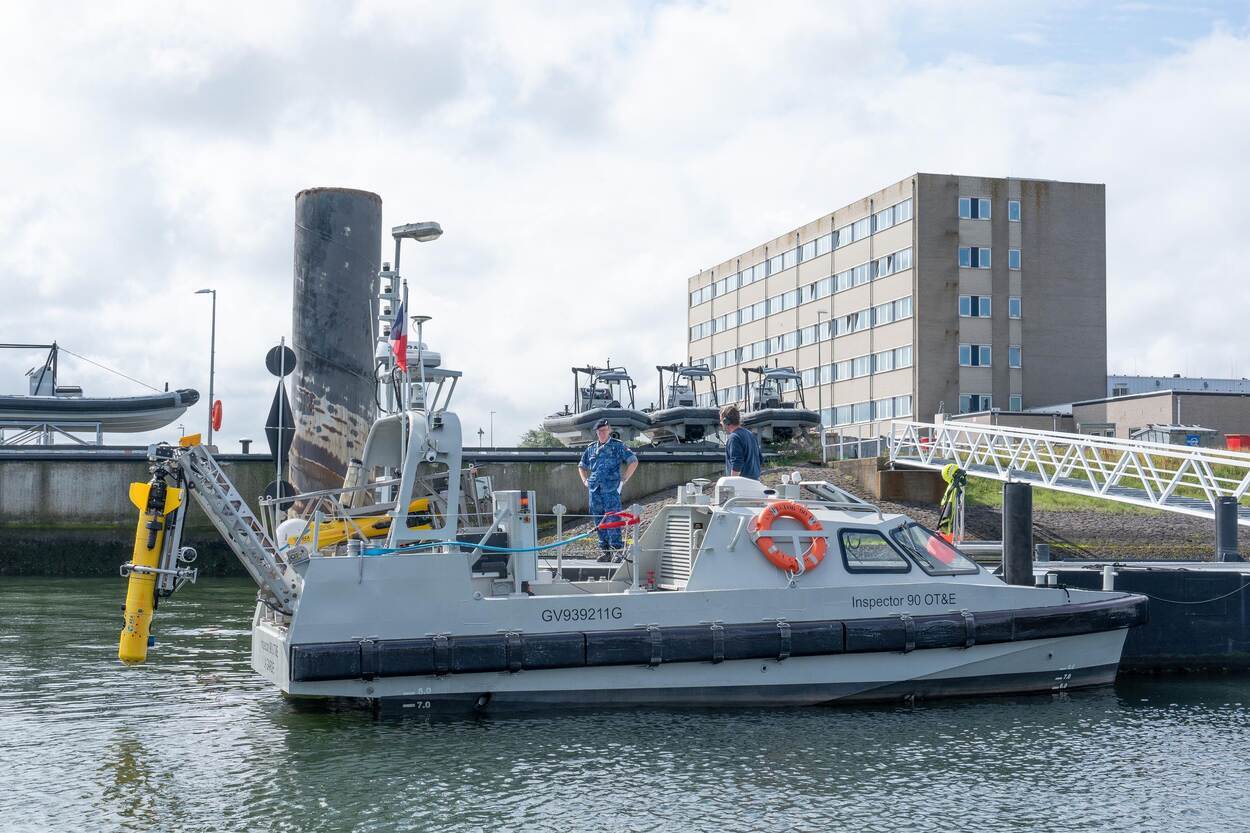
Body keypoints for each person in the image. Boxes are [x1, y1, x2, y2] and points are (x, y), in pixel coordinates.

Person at [578, 419, 639, 560]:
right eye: (600, 431)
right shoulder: (591, 448)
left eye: (605, 430)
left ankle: (617, 551)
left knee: (613, 518)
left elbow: (633, 461)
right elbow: (582, 465)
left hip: (611, 488)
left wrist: (624, 480)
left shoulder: (617, 446)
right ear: (597, 432)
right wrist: (585, 480)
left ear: (609, 430)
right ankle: (605, 551)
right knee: (598, 518)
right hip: (594, 489)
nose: (602, 433)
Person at [720, 404, 763, 480]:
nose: (721, 423)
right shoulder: (751, 435)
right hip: (756, 482)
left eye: (721, 421)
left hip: (742, 485)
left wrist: (732, 483)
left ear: (725, 421)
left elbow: (737, 463)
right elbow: (760, 459)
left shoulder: (734, 438)